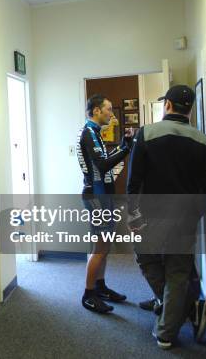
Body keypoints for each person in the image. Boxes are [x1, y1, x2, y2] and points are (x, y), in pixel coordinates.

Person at [126, 85, 206, 349]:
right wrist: (195, 215)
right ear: (190, 109)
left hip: (151, 214)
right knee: (178, 271)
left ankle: (171, 307)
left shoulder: (147, 133)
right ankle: (167, 328)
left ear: (168, 105)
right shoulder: (203, 140)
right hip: (185, 216)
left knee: (145, 257)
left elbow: (134, 181)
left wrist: (133, 214)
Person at [76, 94, 133, 314]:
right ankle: (88, 294)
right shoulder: (88, 133)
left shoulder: (95, 133)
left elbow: (105, 164)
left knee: (105, 245)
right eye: (108, 109)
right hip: (96, 197)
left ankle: (100, 286)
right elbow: (101, 166)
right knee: (100, 247)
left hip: (103, 195)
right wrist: (125, 149)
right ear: (96, 111)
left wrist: (121, 147)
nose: (112, 114)